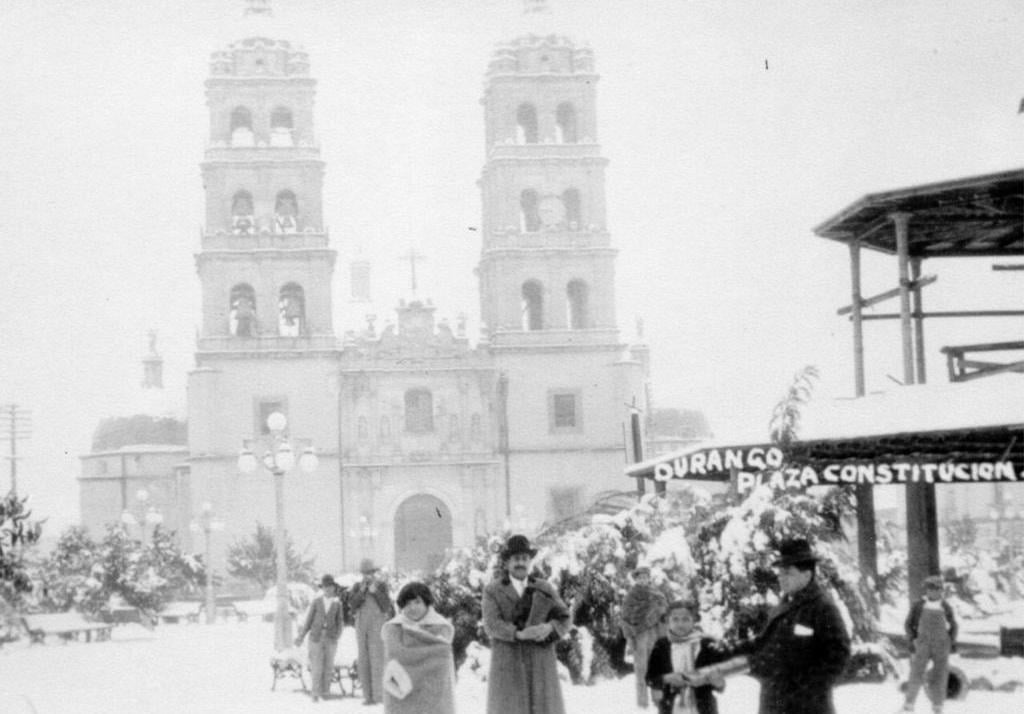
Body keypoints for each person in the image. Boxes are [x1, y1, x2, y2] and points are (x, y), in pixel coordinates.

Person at [746, 538, 851, 714]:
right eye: (780, 573)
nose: (781, 578)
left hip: (807, 707)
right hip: (775, 704)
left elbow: (839, 656)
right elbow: (763, 648)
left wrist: (806, 690)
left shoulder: (822, 608)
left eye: (788, 573)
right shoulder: (781, 608)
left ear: (807, 575)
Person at [482, 534, 570, 714]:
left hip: (540, 661)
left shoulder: (544, 587)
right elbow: (491, 624)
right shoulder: (492, 590)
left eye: (524, 558)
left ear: (530, 562)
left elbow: (565, 617)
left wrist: (550, 627)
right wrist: (518, 634)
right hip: (508, 660)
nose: (520, 563)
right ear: (507, 562)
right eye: (516, 559)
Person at [381, 581, 456, 714]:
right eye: (407, 604)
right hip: (402, 693)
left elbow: (441, 662)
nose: (412, 608)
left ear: (427, 603)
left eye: (417, 602)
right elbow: (394, 658)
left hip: (433, 693)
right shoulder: (394, 628)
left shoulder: (441, 627)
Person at [645, 601, 729, 714]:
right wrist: (667, 678)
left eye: (686, 619)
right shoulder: (661, 646)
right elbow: (650, 678)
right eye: (675, 619)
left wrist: (718, 682)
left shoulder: (707, 645)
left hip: (703, 708)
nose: (680, 624)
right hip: (671, 707)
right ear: (668, 621)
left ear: (694, 620)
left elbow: (720, 684)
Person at [902, 575, 958, 713]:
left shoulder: (945, 607)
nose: (933, 592)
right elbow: (908, 624)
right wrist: (912, 640)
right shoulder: (919, 606)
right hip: (923, 643)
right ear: (926, 590)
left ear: (941, 590)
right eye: (930, 589)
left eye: (937, 589)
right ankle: (909, 704)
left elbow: (953, 626)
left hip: (941, 645)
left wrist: (950, 642)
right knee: (916, 672)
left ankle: (938, 706)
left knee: (940, 675)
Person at [621, 565, 669, 708]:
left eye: (645, 577)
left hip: (656, 634)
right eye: (639, 578)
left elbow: (665, 615)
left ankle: (658, 700)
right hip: (639, 637)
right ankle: (642, 704)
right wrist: (629, 637)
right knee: (641, 671)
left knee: (657, 668)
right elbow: (625, 618)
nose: (642, 580)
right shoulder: (630, 597)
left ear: (649, 578)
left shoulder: (657, 594)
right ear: (635, 579)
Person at [349, 558, 394, 705]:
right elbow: (352, 605)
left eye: (370, 573)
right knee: (363, 660)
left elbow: (386, 606)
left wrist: (376, 593)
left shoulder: (381, 586)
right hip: (361, 624)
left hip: (377, 624)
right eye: (365, 573)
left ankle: (378, 696)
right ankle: (367, 696)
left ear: (374, 573)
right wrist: (361, 592)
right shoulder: (357, 586)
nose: (367, 576)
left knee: (377, 658)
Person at [294, 574, 345, 702]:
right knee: (317, 667)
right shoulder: (317, 602)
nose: (328, 589)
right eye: (325, 587)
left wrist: (337, 635)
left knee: (328, 666)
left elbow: (340, 621)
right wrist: (301, 637)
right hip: (316, 637)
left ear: (334, 588)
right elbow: (308, 620)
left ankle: (325, 692)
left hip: (330, 638)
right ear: (322, 588)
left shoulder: (337, 603)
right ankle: (315, 693)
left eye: (330, 586)